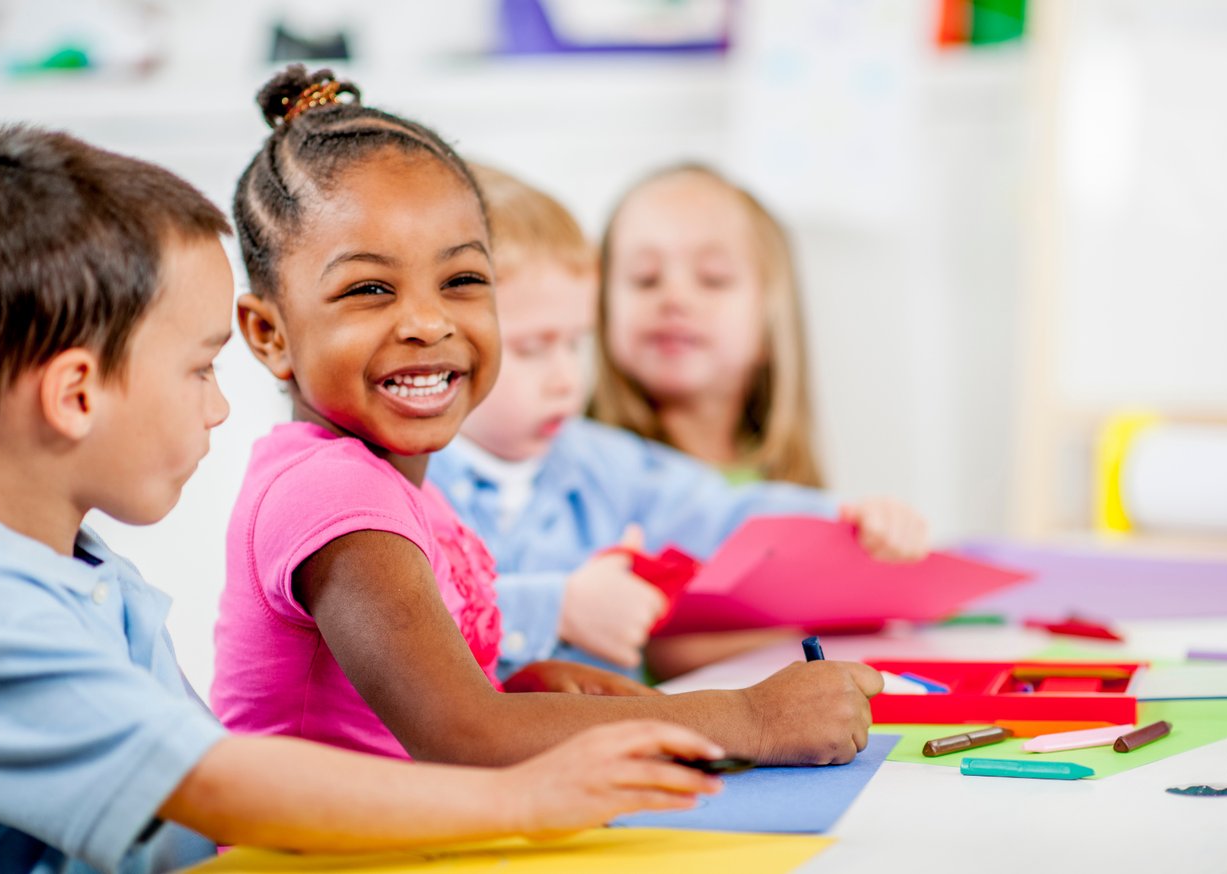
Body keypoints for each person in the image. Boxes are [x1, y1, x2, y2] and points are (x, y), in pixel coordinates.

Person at [0, 124, 726, 874]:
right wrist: (522, 796)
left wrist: (510, 702)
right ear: (76, 395)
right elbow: (213, 784)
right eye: (200, 370)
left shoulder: (77, 570)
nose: (218, 409)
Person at [213, 65, 882, 771]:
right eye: (370, 288)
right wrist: (752, 718)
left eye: (462, 280)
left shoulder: (401, 487)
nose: (428, 323)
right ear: (270, 334)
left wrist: (526, 689)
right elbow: (464, 735)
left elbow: (426, 717)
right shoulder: (335, 495)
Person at [428, 164, 928, 681]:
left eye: (576, 344)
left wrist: (849, 520)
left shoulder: (604, 461)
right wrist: (557, 609)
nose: (567, 379)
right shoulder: (409, 480)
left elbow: (722, 513)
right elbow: (405, 619)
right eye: (533, 348)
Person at [592, 164, 823, 486]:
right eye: (646, 278)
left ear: (770, 321)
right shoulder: (579, 475)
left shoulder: (787, 492)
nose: (674, 298)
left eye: (713, 278)